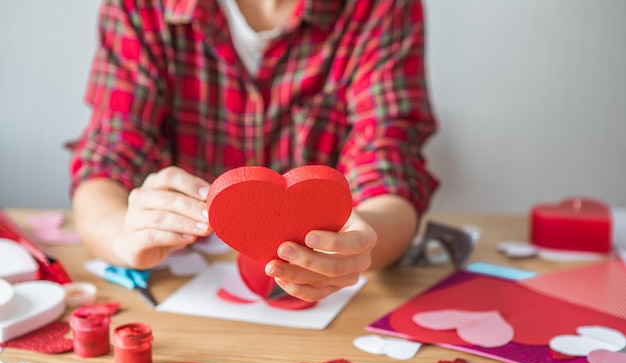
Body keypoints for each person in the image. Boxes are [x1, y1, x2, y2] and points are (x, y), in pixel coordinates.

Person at [69, 0, 438, 302]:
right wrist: (121, 233)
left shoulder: (381, 7)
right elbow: (109, 153)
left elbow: (389, 163)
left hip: (338, 303)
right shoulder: (141, 6)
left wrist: (361, 240)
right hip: (184, 290)